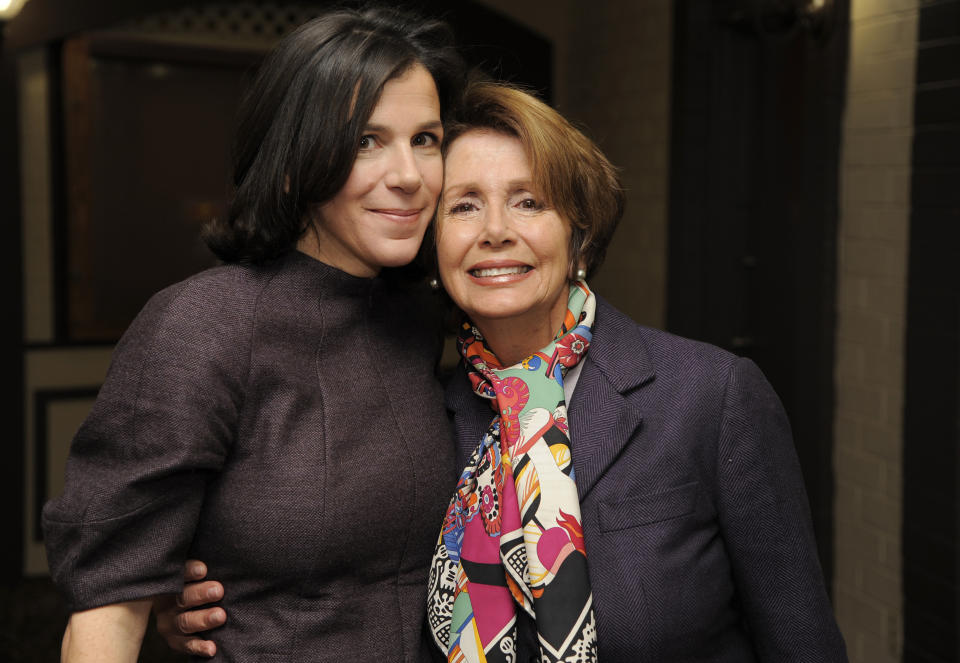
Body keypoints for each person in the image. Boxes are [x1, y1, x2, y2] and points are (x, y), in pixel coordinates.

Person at [163, 81, 849, 662]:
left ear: (577, 231)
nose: (495, 230)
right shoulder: (419, 411)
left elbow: (802, 639)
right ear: (433, 243)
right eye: (464, 204)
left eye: (529, 200)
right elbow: (341, 569)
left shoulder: (710, 397)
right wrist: (196, 602)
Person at [42, 7, 464, 662]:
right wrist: (160, 605)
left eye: (426, 139)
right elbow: (108, 611)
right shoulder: (201, 325)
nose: (409, 175)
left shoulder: (415, 319)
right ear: (294, 160)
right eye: (365, 140)